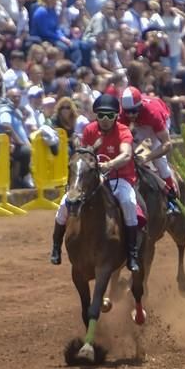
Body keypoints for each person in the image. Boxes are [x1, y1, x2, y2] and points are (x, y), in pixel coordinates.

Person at [50, 94, 141, 273]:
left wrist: (109, 164)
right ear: (96, 116)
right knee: (64, 205)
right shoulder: (90, 130)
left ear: (116, 116)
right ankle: (56, 247)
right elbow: (83, 153)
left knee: (129, 203)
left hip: (120, 177)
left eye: (109, 115)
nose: (105, 119)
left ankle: (132, 253)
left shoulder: (123, 131)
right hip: (95, 177)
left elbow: (126, 154)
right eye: (101, 115)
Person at [118, 86, 181, 215]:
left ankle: (172, 199)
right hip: (141, 124)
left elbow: (167, 144)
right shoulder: (124, 114)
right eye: (128, 112)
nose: (130, 115)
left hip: (160, 120)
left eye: (134, 111)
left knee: (159, 161)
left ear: (140, 106)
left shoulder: (153, 114)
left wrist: (147, 157)